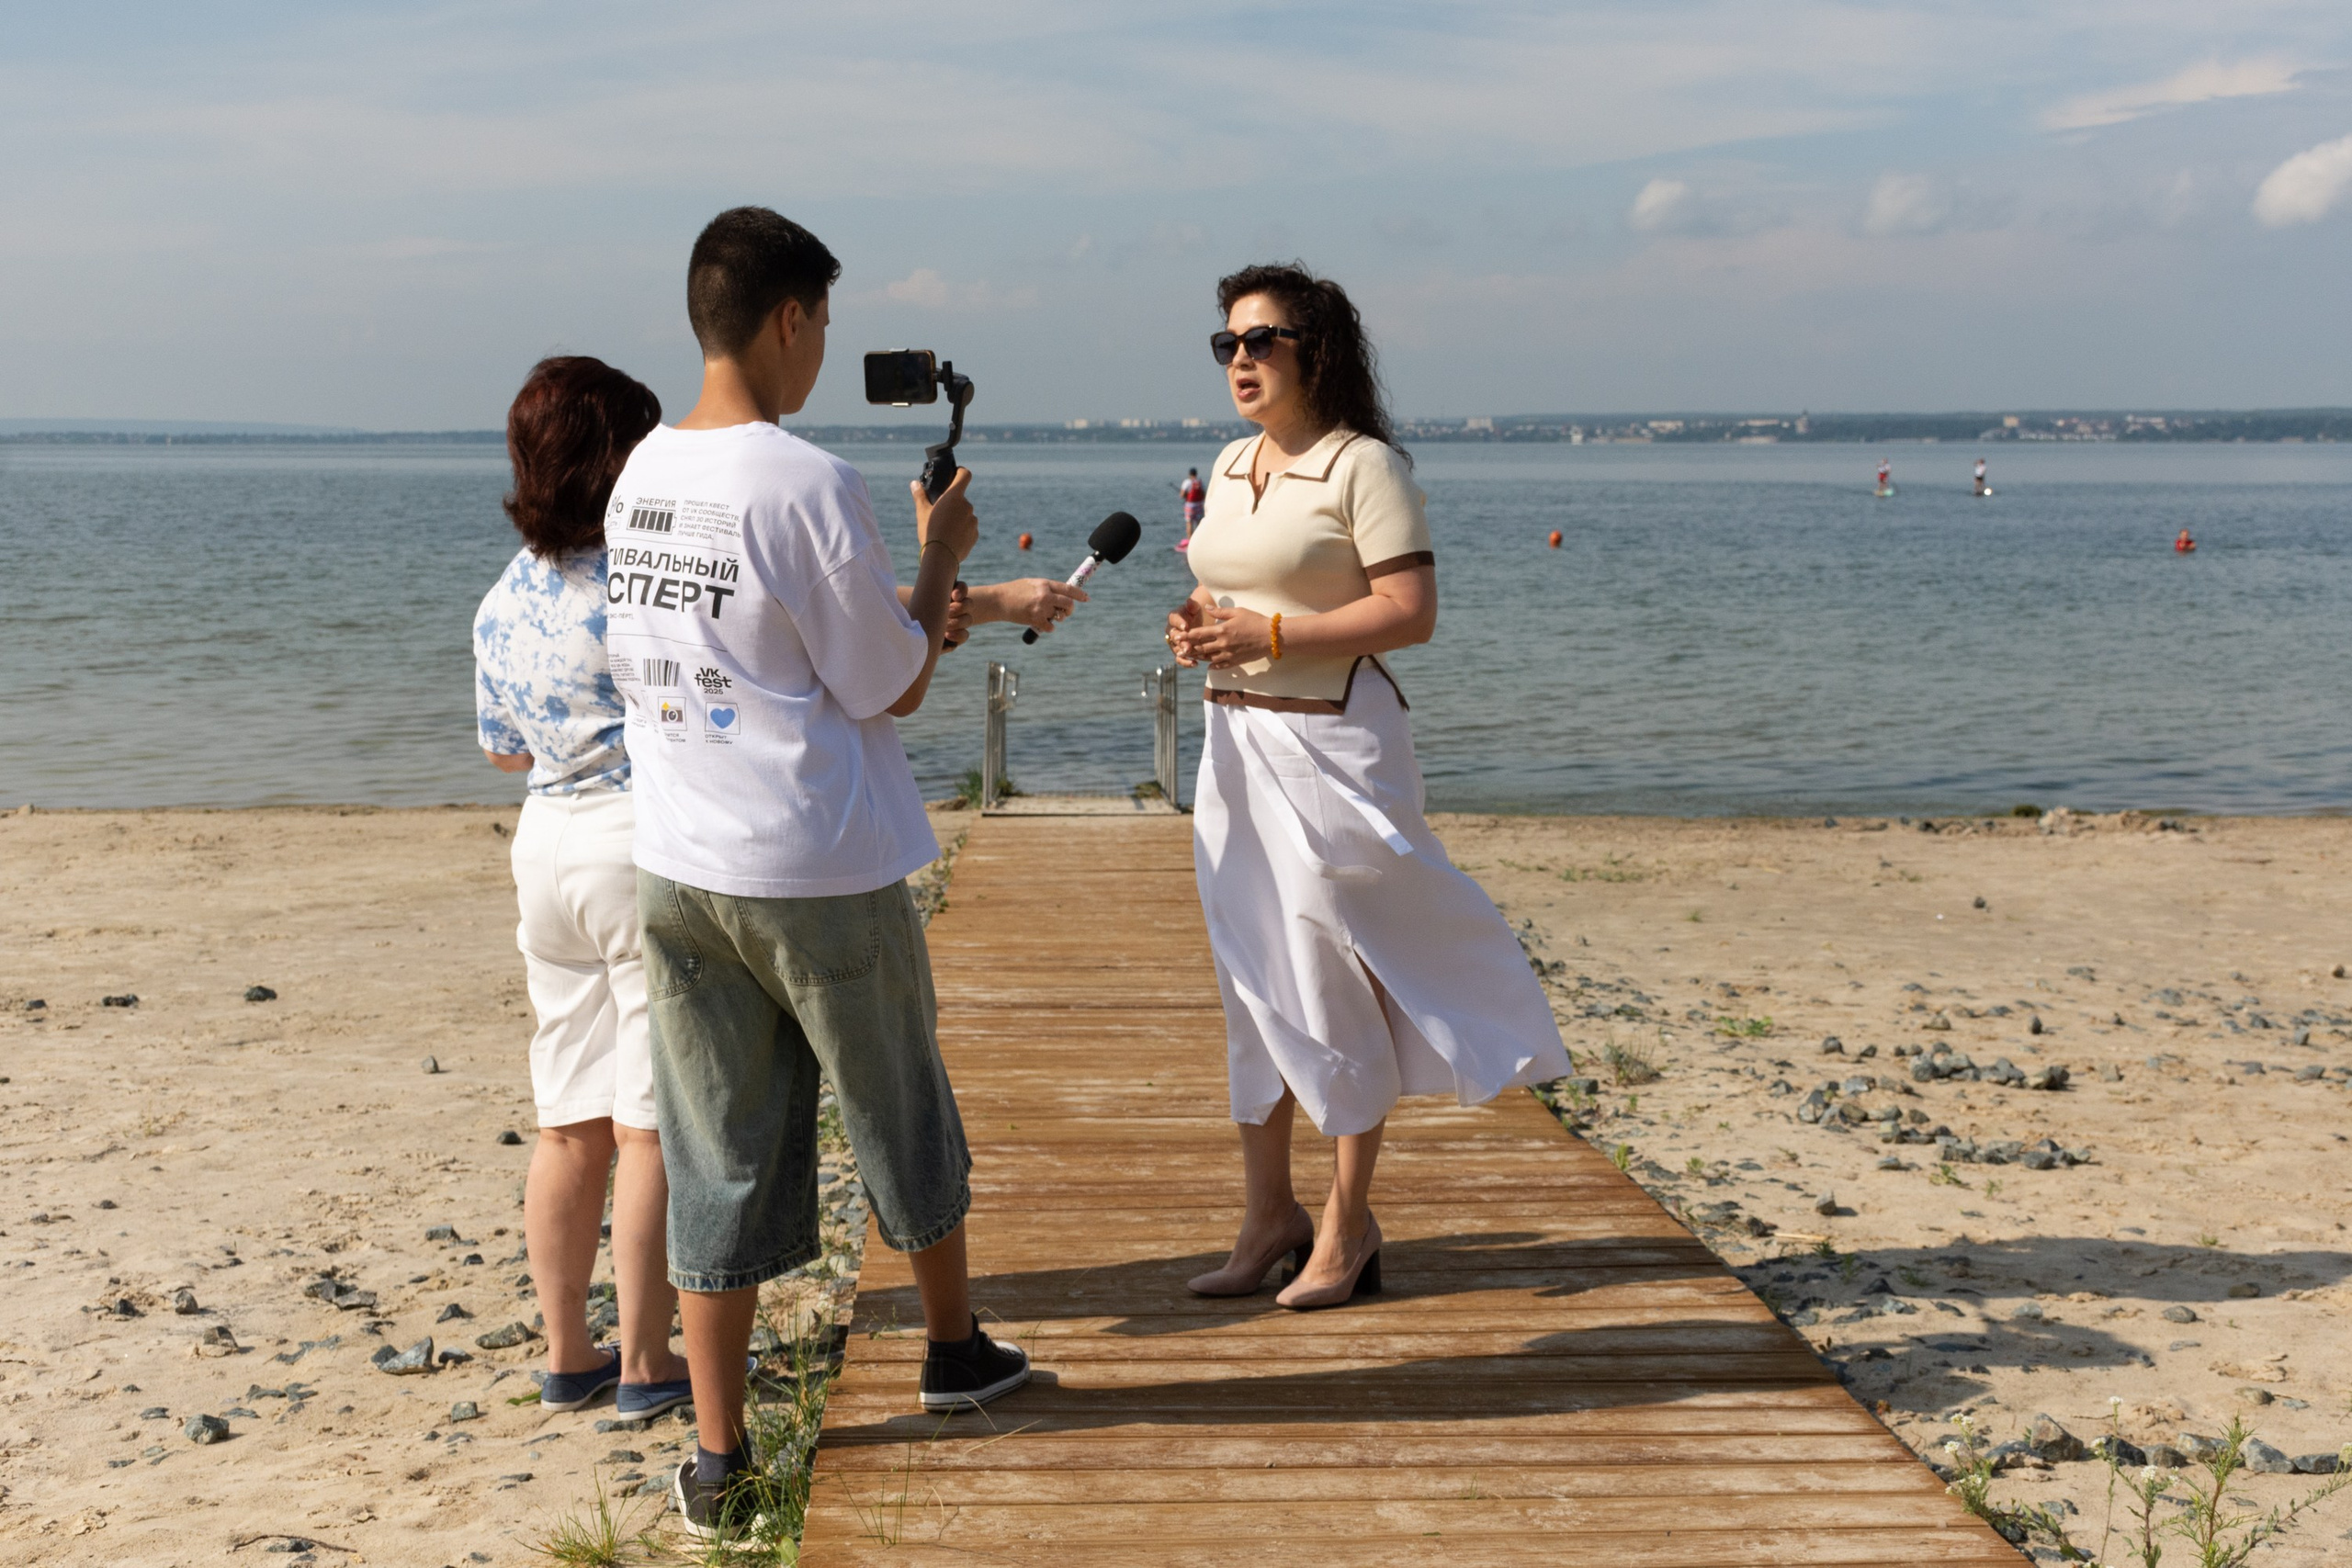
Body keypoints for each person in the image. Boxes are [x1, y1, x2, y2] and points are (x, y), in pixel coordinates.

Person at [603, 207, 1028, 1540]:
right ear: (788, 319)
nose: (825, 348)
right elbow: (885, 680)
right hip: (814, 857)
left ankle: (719, 1455)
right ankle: (953, 1350)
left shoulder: (639, 475)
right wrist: (944, 558)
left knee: (716, 1143)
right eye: (826, 324)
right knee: (896, 1096)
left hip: (676, 861)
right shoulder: (802, 480)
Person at [1167, 263, 1572, 1312]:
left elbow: (1408, 610)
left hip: (1331, 746)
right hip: (1231, 743)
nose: (1240, 361)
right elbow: (1227, 581)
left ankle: (1347, 1225)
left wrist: (1273, 634)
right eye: (1228, 344)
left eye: (1262, 342)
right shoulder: (1231, 459)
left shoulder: (1364, 467)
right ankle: (1268, 1217)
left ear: (1317, 350)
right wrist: (1199, 618)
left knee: (1326, 969)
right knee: (1250, 976)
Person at [472, 355, 694, 1420]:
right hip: (631, 835)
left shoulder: (502, 596)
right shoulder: (637, 577)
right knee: (649, 1121)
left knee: (569, 1120)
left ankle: (569, 1353)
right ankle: (650, 1361)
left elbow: (504, 753)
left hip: (545, 841)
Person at [1177, 466, 1206, 547]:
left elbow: (1182, 495)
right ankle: (1199, 540)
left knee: (1189, 523)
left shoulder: (1187, 482)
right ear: (1196, 474)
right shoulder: (1200, 482)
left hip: (1190, 505)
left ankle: (1190, 541)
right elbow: (1204, 494)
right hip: (1199, 505)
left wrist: (1185, 496)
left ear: (1190, 474)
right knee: (1198, 523)